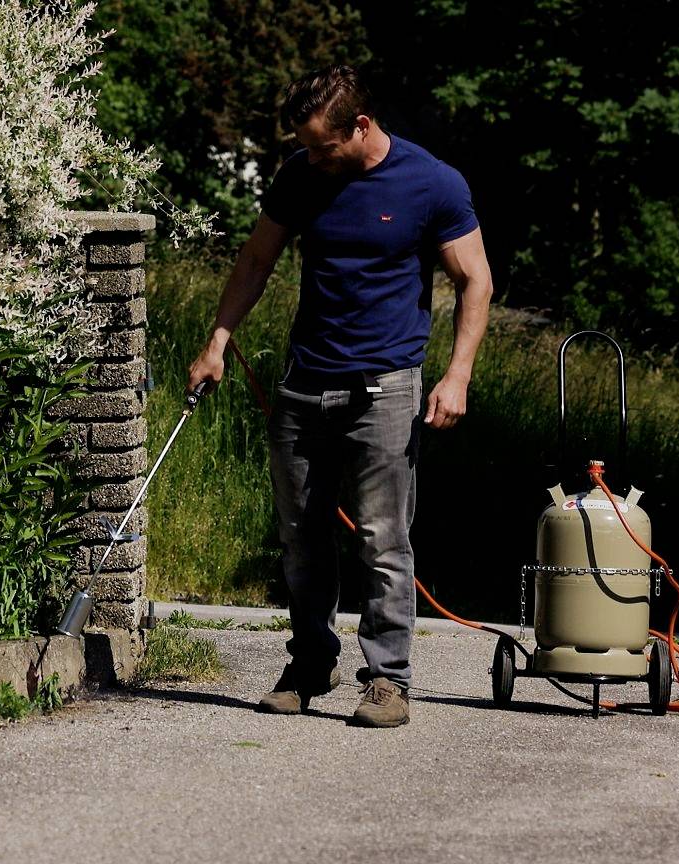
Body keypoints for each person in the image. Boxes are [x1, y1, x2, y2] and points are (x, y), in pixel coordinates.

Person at [186, 65, 493, 728]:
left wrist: (458, 374)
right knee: (301, 535)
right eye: (307, 146)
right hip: (307, 382)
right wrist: (217, 341)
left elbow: (475, 280)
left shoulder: (430, 182)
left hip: (385, 386)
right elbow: (256, 261)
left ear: (361, 126)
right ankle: (309, 664)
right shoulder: (301, 174)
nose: (315, 157)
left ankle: (388, 681)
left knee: (383, 538)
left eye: (325, 146)